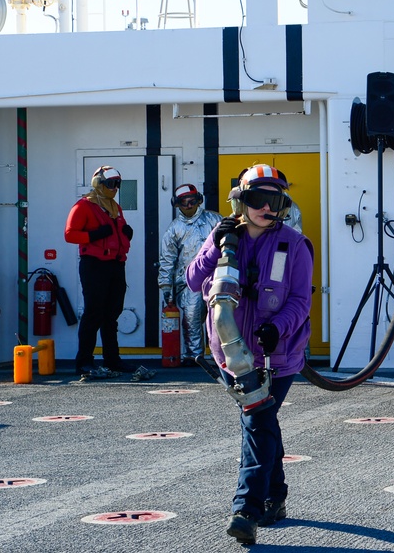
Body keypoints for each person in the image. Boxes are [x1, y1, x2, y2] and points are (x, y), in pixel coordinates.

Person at [185, 164, 313, 545]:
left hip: (279, 356)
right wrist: (214, 246)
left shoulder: (294, 244)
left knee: (257, 422)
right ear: (241, 201)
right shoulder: (223, 236)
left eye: (275, 201)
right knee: (262, 422)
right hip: (231, 352)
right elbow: (194, 280)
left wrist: (277, 328)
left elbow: (300, 300)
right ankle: (276, 496)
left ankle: (246, 510)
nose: (267, 208)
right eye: (258, 200)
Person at [64, 165, 135, 375]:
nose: (115, 188)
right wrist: (94, 235)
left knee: (112, 315)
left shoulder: (115, 207)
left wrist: (126, 234)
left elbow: (118, 232)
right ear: (99, 184)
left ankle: (112, 360)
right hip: (94, 265)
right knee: (93, 313)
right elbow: (70, 234)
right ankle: (84, 361)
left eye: (117, 185)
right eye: (111, 184)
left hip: (115, 265)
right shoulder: (84, 206)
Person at [158, 183, 225, 366]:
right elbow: (167, 260)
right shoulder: (174, 229)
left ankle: (221, 358)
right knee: (191, 320)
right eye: (183, 202)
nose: (188, 206)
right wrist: (165, 286)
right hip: (189, 282)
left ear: (199, 200)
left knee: (219, 320)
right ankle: (194, 358)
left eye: (192, 201)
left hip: (216, 279)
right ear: (176, 204)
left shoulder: (215, 220)